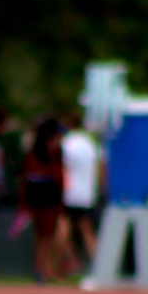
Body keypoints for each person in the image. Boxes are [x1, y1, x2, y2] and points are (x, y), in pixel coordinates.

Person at [19, 117, 66, 281]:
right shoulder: (54, 150)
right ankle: (41, 269)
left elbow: (25, 172)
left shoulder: (33, 150)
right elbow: (58, 173)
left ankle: (40, 268)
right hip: (49, 190)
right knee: (47, 235)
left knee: (39, 234)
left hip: (34, 190)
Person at [60, 114, 100, 275]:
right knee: (87, 230)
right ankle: (97, 263)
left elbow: (62, 168)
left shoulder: (67, 144)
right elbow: (99, 167)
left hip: (69, 192)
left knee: (63, 228)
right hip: (86, 193)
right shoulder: (91, 144)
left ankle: (69, 262)